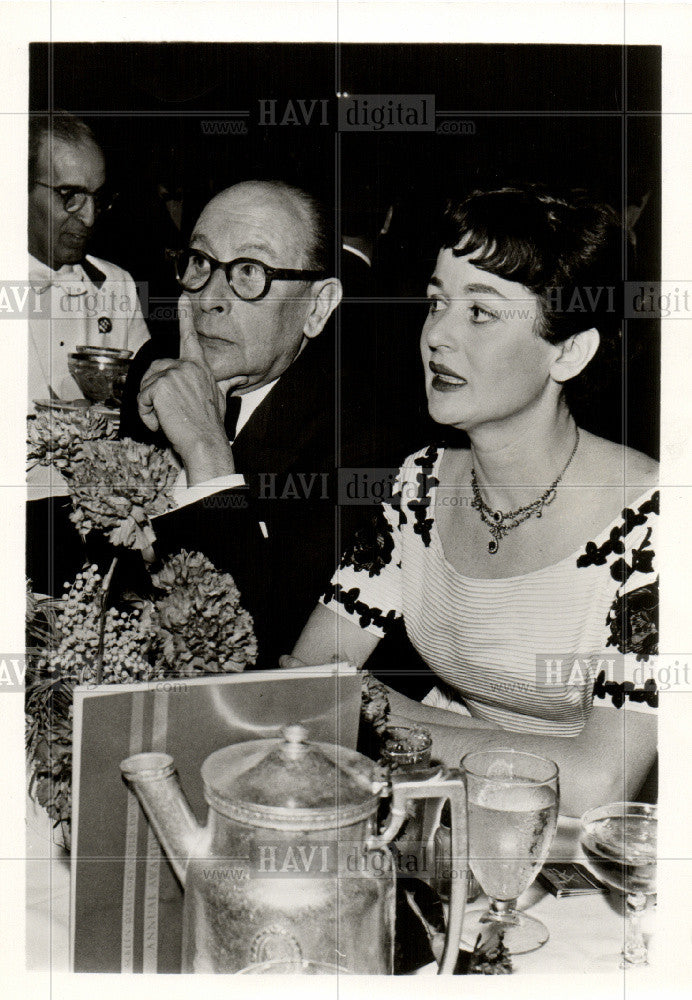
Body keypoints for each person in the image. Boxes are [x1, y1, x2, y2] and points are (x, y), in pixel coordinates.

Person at [284, 185, 659, 818]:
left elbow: (599, 785)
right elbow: (302, 686)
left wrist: (382, 710)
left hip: (576, 855)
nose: (437, 337)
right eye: (437, 304)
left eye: (479, 313)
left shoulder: (655, 525)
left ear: (569, 350)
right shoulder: (419, 486)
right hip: (435, 814)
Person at [117, 179, 423, 669]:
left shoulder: (371, 436)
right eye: (200, 262)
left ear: (317, 306)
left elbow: (269, 651)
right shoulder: (158, 367)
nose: (210, 298)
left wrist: (206, 452)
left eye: (249, 271)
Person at [28, 112, 149, 403]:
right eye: (70, 195)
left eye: (97, 198)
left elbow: (142, 392)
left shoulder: (117, 284)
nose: (89, 217)